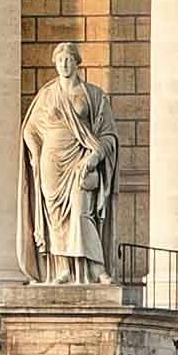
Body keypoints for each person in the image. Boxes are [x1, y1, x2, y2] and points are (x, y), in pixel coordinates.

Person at [21, 42, 116, 284]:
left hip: (80, 159)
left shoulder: (93, 95)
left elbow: (108, 134)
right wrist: (35, 152)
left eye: (69, 59)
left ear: (77, 62)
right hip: (51, 161)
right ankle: (62, 268)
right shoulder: (47, 95)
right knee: (56, 218)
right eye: (60, 60)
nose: (64, 64)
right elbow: (30, 128)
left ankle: (96, 267)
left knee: (81, 211)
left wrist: (95, 155)